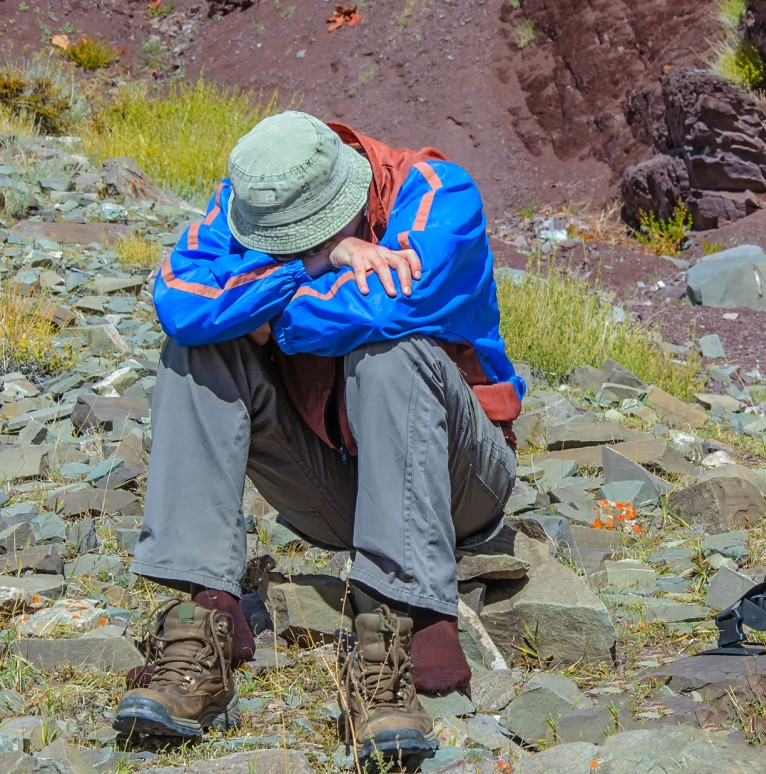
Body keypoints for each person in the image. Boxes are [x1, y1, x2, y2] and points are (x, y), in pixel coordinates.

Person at [112, 110, 523, 765]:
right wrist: (322, 258)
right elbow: (179, 302)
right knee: (196, 350)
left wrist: (259, 309)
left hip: (458, 484)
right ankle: (205, 622)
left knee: (392, 350)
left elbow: (389, 305)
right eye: (279, 242)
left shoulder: (440, 194)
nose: (290, 249)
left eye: (311, 234)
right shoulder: (248, 198)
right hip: (335, 491)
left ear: (354, 192)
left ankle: (396, 629)